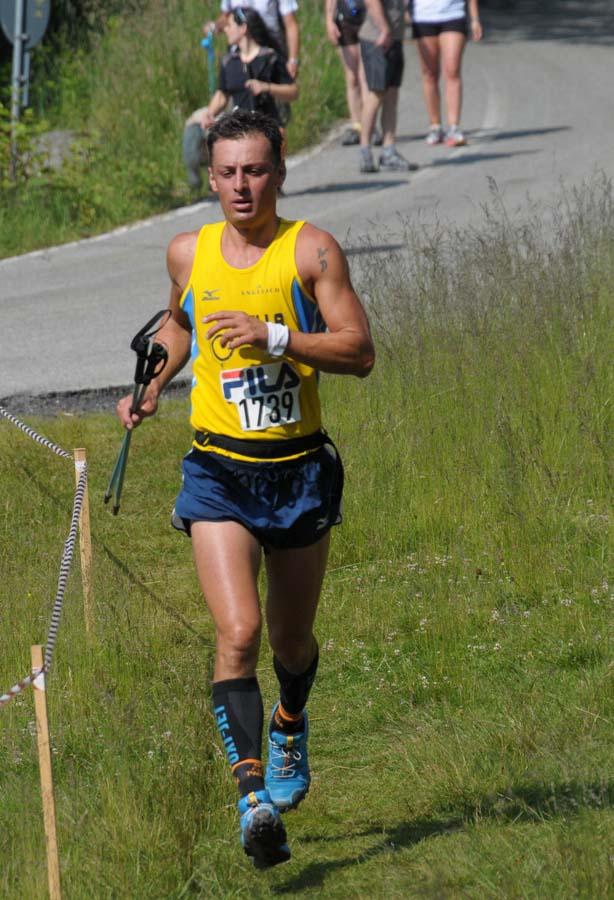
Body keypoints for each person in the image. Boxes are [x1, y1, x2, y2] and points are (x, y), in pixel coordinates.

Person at [116, 110, 375, 868]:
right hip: (219, 472)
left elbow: (359, 351)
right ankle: (253, 799)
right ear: (210, 174)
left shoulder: (311, 252)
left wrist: (275, 338)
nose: (240, 185)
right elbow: (177, 325)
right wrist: (152, 383)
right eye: (227, 171)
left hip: (296, 472)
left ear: (279, 171)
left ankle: (292, 721)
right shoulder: (188, 253)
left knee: (292, 641)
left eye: (255, 170)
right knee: (239, 632)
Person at [183, 8, 298, 191]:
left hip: (268, 127)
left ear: (243, 28)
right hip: (240, 128)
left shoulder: (269, 58)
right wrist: (210, 113)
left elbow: (293, 91)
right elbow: (222, 94)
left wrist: (266, 87)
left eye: (229, 25)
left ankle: (270, 178)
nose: (226, 30)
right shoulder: (229, 62)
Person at [410, 0, 482, 147]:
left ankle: (454, 127)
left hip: (453, 14)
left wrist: (475, 19)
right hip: (423, 17)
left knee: (452, 70)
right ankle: (435, 127)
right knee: (429, 73)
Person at [357, 0, 418, 172]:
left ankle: (388, 152)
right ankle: (365, 151)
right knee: (376, 94)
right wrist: (384, 28)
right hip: (377, 37)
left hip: (394, 37)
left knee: (392, 94)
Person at [324, 0, 382, 147]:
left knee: (364, 77)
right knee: (352, 77)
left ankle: (369, 125)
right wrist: (329, 21)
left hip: (366, 17)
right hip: (345, 19)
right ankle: (356, 125)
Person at [204, 0, 300, 80]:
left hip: (270, 46)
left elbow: (290, 24)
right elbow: (226, 16)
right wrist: (215, 26)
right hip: (240, 48)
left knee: (274, 91)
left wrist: (293, 60)